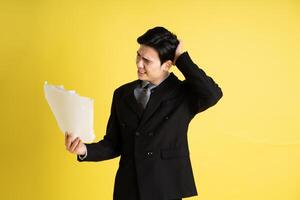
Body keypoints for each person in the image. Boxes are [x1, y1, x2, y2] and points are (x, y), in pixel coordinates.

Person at [65, 26, 223, 200]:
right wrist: (84, 149)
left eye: (147, 60)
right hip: (128, 189)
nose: (139, 64)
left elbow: (213, 94)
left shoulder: (183, 94)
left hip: (165, 189)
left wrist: (182, 59)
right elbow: (113, 143)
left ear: (167, 65)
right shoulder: (122, 94)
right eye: (138, 56)